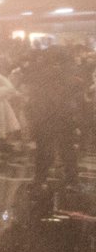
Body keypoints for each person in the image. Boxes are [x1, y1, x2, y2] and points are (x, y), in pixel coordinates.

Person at [23, 46, 83, 189]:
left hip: (48, 116)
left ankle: (41, 179)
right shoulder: (70, 74)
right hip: (63, 115)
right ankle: (71, 180)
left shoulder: (45, 73)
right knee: (66, 149)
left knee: (45, 149)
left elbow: (37, 95)